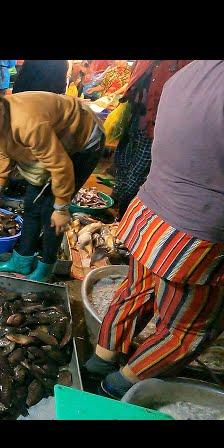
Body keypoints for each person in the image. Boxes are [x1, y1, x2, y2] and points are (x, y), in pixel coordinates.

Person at [85, 61, 224, 399]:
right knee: (186, 331)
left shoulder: (192, 72)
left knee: (136, 292)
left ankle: (97, 365)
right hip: (196, 237)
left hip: (149, 216)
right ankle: (115, 386)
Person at [0, 85, 105, 282]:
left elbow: (61, 166)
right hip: (55, 139)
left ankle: (46, 266)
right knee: (32, 205)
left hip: (83, 139)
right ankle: (23, 259)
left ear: (1, 109)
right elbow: (2, 151)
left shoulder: (28, 124)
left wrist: (61, 208)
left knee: (51, 215)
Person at [111, 60, 192, 218]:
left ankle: (123, 213)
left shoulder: (185, 64)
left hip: (156, 124)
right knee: (122, 160)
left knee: (138, 170)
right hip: (135, 116)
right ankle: (116, 202)